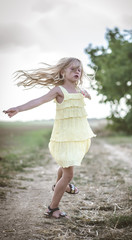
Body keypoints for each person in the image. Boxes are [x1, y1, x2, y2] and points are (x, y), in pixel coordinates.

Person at [3, 57, 96, 219]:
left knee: (67, 164)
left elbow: (86, 97)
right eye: (72, 69)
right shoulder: (59, 90)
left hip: (77, 137)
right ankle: (52, 209)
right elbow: (38, 101)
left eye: (79, 69)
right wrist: (18, 108)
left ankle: (59, 185)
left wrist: (86, 94)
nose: (77, 71)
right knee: (68, 174)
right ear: (62, 72)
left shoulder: (79, 90)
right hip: (63, 138)